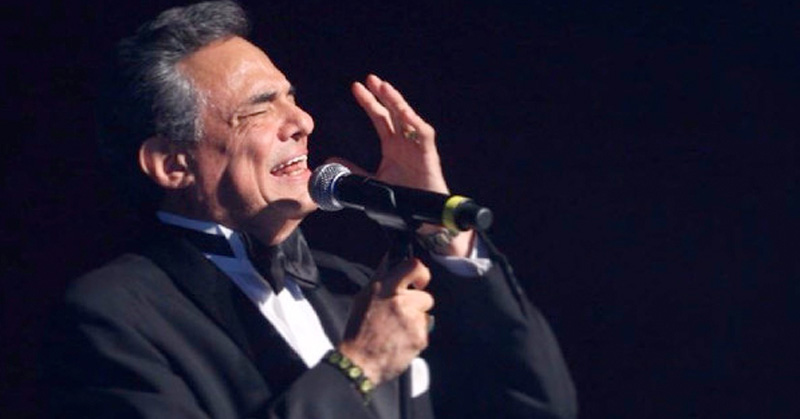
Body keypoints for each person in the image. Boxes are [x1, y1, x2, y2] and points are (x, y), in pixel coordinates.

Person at [40, 1, 577, 418]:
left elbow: (536, 404)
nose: (302, 122)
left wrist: (441, 227)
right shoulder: (113, 315)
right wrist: (358, 366)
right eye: (258, 108)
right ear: (172, 164)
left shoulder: (354, 289)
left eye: (291, 98)